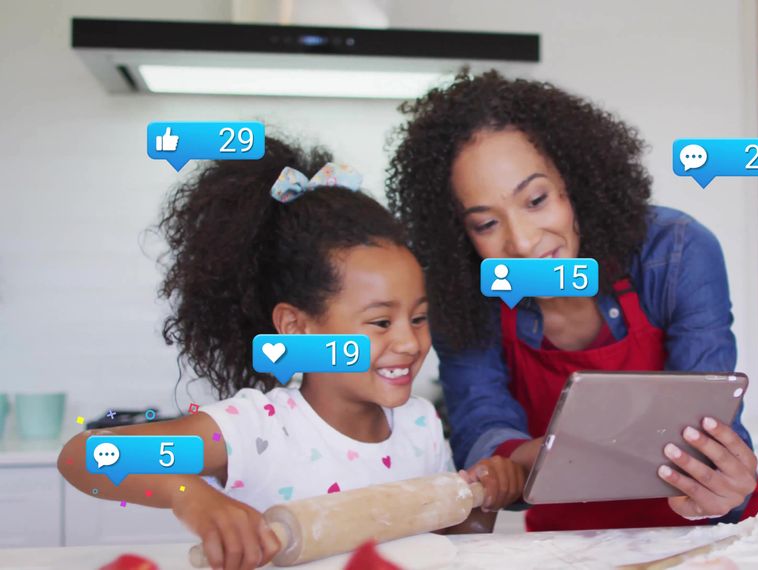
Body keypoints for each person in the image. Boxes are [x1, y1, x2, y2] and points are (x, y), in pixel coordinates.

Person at [58, 137, 524, 570]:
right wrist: (190, 495)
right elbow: (89, 457)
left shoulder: (420, 426)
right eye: (381, 322)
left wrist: (484, 501)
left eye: (419, 318)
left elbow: (444, 540)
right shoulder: (259, 431)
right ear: (297, 329)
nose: (409, 342)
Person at [386, 70, 758, 532]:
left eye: (536, 199)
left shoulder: (676, 252)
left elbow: (714, 424)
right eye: (487, 224)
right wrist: (510, 463)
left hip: (704, 531)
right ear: (459, 236)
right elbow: (482, 425)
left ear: (577, 182)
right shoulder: (466, 294)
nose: (524, 243)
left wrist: (722, 487)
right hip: (571, 542)